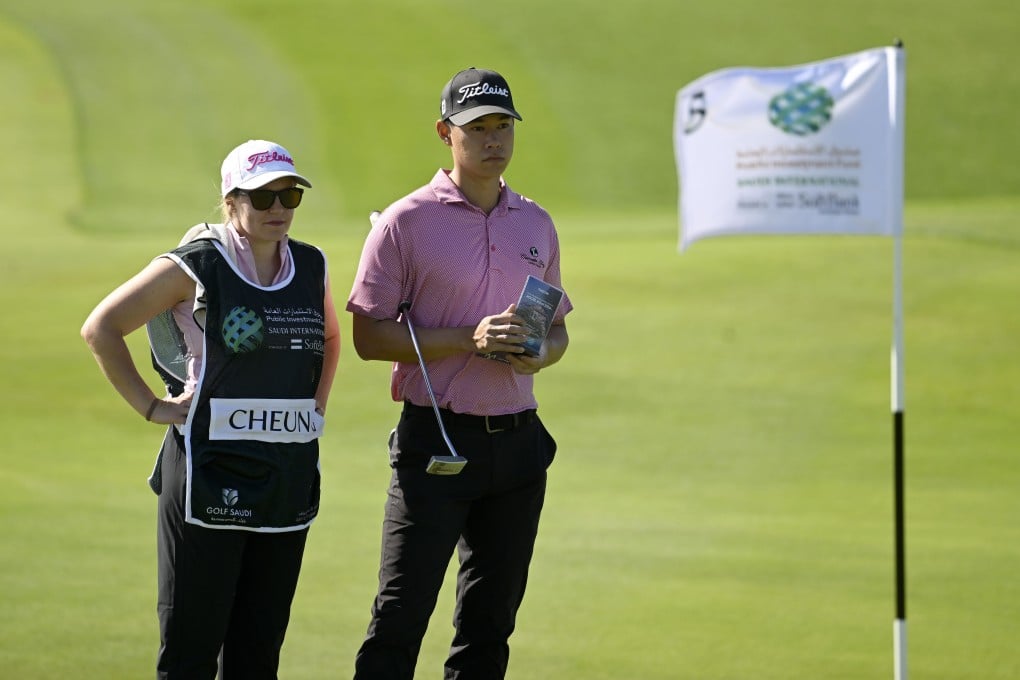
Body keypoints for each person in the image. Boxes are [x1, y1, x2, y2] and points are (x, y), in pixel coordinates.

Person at [80, 139, 340, 679]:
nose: (278, 208)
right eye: (262, 196)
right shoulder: (197, 265)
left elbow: (330, 338)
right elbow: (102, 328)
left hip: (286, 475)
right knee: (190, 653)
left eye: (289, 195)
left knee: (257, 655)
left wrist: (313, 407)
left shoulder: (311, 264)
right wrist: (151, 407)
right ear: (231, 201)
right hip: (207, 472)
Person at [346, 67, 572, 679]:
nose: (493, 139)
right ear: (446, 133)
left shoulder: (536, 223)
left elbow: (557, 330)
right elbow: (369, 338)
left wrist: (539, 353)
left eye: (503, 126)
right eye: (477, 128)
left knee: (489, 629)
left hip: (518, 445)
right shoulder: (405, 222)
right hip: (436, 442)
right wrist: (467, 338)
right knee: (399, 619)